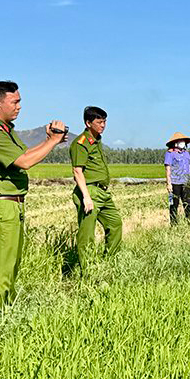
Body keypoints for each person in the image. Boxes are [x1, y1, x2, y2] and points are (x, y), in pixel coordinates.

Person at [0, 81, 66, 307]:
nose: (19, 107)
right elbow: (25, 162)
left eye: (20, 102)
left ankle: (6, 311)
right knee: (1, 267)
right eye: (14, 102)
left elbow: (25, 154)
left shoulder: (6, 131)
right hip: (0, 206)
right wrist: (53, 141)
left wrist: (49, 141)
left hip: (10, 206)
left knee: (11, 263)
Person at [70, 106, 122, 269]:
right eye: (99, 122)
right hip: (90, 192)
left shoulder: (97, 140)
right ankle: (88, 271)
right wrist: (86, 197)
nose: (103, 125)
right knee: (87, 234)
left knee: (115, 224)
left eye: (105, 121)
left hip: (102, 192)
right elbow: (77, 171)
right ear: (88, 123)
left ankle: (109, 263)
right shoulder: (81, 143)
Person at [164, 132, 190, 224]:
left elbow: (189, 167)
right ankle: (174, 224)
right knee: (174, 204)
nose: (183, 143)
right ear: (175, 143)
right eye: (180, 141)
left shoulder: (186, 153)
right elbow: (168, 168)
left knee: (188, 203)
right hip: (175, 182)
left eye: (183, 141)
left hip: (185, 182)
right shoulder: (170, 153)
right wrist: (168, 183)